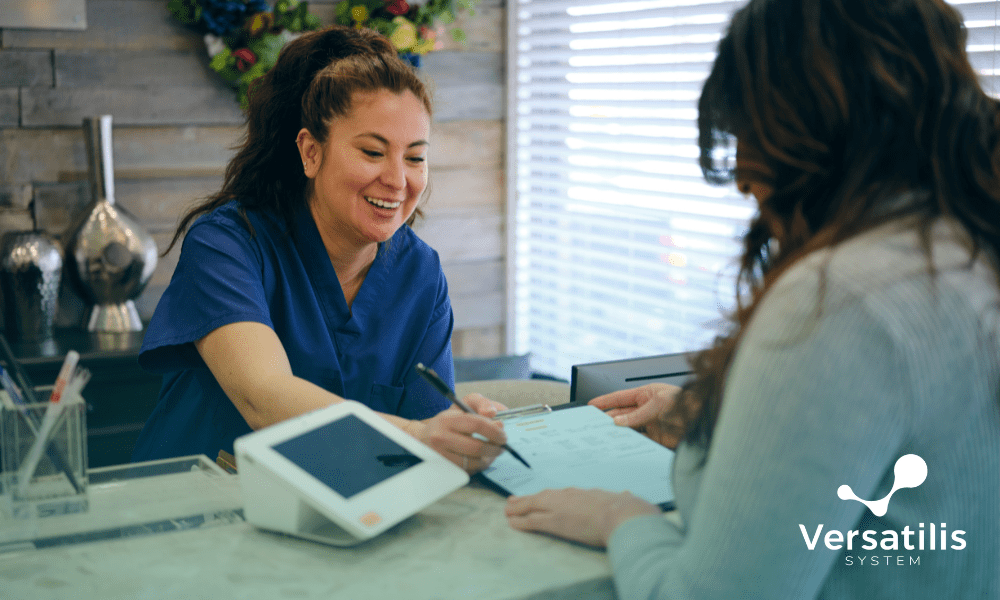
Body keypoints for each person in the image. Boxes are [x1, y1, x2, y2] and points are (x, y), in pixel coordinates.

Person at [504, 0, 1000, 597]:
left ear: (810, 125)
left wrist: (622, 519)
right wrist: (714, 424)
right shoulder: (965, 247)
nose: (740, 177)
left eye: (748, 129)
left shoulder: (838, 300)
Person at [133, 25, 506, 473]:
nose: (397, 180)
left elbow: (428, 437)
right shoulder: (228, 245)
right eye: (372, 152)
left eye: (414, 157)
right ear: (311, 152)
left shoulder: (420, 273)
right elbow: (263, 395)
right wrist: (417, 436)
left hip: (348, 506)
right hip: (199, 501)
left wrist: (459, 434)